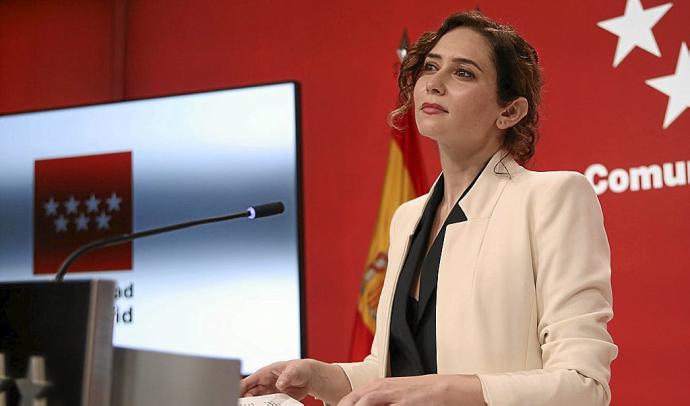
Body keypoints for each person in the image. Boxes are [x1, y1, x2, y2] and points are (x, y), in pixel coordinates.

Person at [241, 11, 617, 406]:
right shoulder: (408, 217)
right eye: (430, 67)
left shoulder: (553, 197)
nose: (433, 84)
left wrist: (442, 389)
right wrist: (319, 376)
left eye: (463, 73)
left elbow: (583, 386)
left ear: (509, 111)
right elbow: (392, 373)